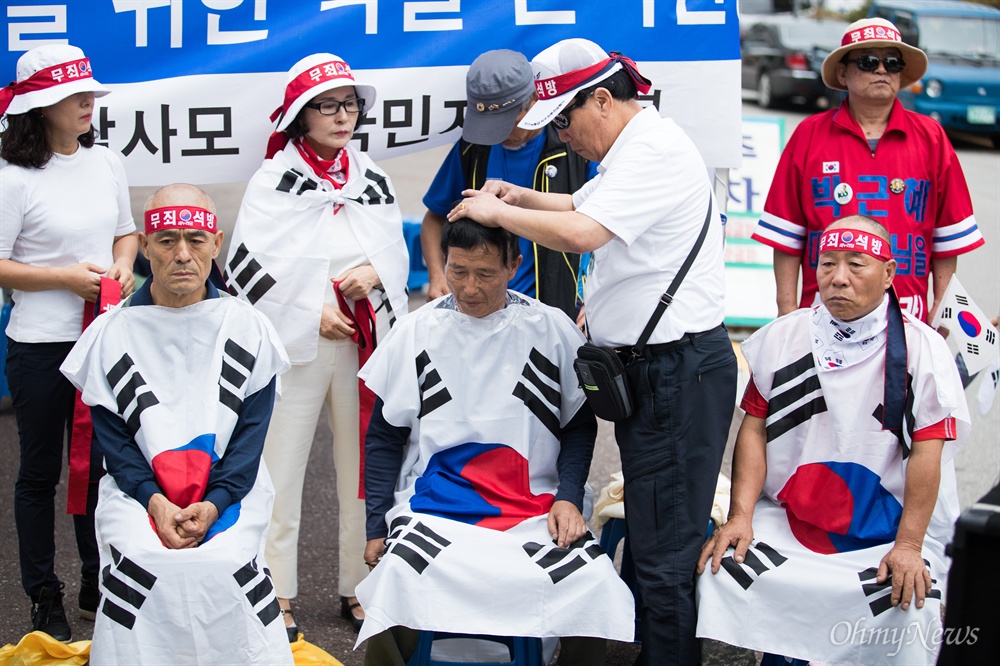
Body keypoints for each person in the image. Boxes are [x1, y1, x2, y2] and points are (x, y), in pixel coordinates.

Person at [449, 38, 737, 665]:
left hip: (675, 375)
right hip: (660, 374)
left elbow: (583, 232)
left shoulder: (653, 150)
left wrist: (500, 213)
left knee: (664, 555)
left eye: (564, 121)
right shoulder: (635, 149)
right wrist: (523, 197)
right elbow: (582, 206)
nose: (563, 138)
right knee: (657, 538)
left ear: (601, 101)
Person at [357, 218, 635, 665]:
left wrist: (566, 498)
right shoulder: (416, 331)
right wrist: (375, 526)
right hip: (435, 506)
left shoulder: (551, 328)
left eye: (485, 273)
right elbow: (385, 437)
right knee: (397, 575)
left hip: (534, 506)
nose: (469, 287)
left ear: (514, 265)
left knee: (592, 580)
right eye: (457, 270)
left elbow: (579, 426)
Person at [696, 216, 970, 665]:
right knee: (722, 573)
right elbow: (754, 428)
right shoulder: (784, 336)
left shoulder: (922, 350)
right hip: (789, 518)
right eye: (827, 264)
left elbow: (927, 451)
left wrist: (909, 546)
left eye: (856, 265)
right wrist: (740, 516)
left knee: (908, 605)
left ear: (888, 273)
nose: (838, 278)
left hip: (887, 529)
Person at [60, 184, 293, 665]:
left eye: (195, 239)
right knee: (143, 563)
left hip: (229, 490)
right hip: (137, 493)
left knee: (225, 561)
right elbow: (116, 448)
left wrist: (214, 504)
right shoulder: (110, 332)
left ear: (217, 243)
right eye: (167, 241)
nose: (182, 254)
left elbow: (249, 444)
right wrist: (157, 502)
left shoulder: (249, 328)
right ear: (144, 247)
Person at [226, 52, 410, 638]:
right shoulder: (272, 179)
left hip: (366, 337)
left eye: (349, 104)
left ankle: (361, 584)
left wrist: (373, 274)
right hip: (297, 340)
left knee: (366, 462)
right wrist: (311, 308)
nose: (341, 116)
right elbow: (247, 265)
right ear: (302, 115)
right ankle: (274, 588)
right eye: (327, 106)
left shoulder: (371, 175)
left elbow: (396, 252)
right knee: (279, 463)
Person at [0, 43, 137, 641]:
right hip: (40, 345)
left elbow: (126, 233)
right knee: (40, 472)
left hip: (103, 339)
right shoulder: (13, 178)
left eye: (88, 93)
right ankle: (41, 594)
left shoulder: (106, 162)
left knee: (101, 466)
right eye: (72, 95)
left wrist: (123, 266)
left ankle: (95, 582)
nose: (87, 103)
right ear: (38, 105)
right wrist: (62, 278)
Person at [753, 17, 984, 325]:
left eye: (892, 63)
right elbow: (787, 234)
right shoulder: (809, 135)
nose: (881, 70)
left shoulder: (932, 138)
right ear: (843, 73)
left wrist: (941, 306)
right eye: (868, 61)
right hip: (824, 318)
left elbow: (946, 239)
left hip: (908, 319)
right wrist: (786, 310)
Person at [420, 49, 596, 319]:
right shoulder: (473, 148)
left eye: (505, 124)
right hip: (480, 309)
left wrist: (595, 296)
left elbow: (602, 227)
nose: (496, 135)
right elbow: (435, 217)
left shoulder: (575, 146)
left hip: (555, 308)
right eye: (487, 124)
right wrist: (437, 276)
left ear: (535, 101)